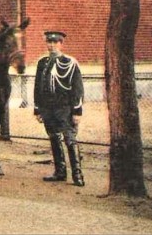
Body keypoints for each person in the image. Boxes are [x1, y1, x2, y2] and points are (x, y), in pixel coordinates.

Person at [34, 31, 85, 187]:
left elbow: (77, 89)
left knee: (70, 139)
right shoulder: (42, 62)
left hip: (64, 107)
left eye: (56, 42)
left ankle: (77, 174)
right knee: (54, 138)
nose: (52, 45)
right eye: (49, 42)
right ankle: (60, 172)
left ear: (61, 44)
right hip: (47, 107)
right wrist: (37, 109)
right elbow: (38, 86)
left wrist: (77, 111)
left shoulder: (70, 62)